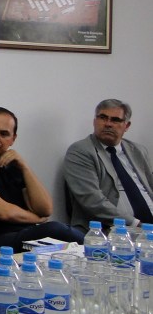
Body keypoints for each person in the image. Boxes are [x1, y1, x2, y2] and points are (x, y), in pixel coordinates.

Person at [0, 107, 84, 251]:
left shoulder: (12, 163)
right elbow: (3, 212)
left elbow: (45, 209)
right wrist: (37, 219)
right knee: (56, 230)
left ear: (13, 139)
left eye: (4, 134)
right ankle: (98, 248)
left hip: (23, 234)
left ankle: (97, 250)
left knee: (64, 241)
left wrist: (24, 167)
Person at [63, 99, 153, 232]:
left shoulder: (138, 150)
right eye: (103, 118)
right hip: (111, 230)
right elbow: (92, 200)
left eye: (115, 120)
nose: (108, 124)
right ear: (94, 121)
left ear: (126, 126)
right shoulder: (81, 151)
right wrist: (137, 224)